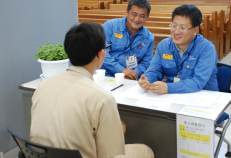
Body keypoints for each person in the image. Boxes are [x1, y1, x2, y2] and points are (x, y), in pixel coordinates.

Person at [30, 22, 154, 158]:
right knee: (144, 151)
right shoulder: (102, 98)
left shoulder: (43, 86)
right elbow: (111, 155)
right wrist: (117, 133)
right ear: (100, 54)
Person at [139, 5, 219, 94]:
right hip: (173, 96)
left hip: (203, 97)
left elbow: (197, 82)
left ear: (195, 30)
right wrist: (146, 79)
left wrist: (168, 88)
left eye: (182, 27)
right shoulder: (164, 45)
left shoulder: (207, 48)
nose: (176, 32)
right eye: (174, 26)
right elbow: (154, 70)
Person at [101, 0, 154, 80]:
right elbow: (102, 53)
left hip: (132, 78)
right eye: (134, 14)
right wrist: (121, 70)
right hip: (107, 75)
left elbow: (146, 62)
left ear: (147, 17)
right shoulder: (110, 26)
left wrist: (133, 74)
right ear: (127, 12)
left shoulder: (149, 37)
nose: (137, 19)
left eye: (142, 16)